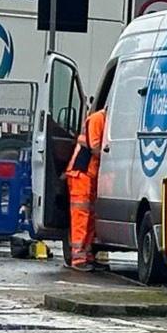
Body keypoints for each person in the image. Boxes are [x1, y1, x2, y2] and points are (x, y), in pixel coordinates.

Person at [64, 102, 106, 268]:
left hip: (89, 175)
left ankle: (86, 255)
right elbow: (95, 148)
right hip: (81, 175)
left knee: (89, 217)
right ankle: (79, 259)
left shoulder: (102, 120)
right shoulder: (97, 119)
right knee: (81, 217)